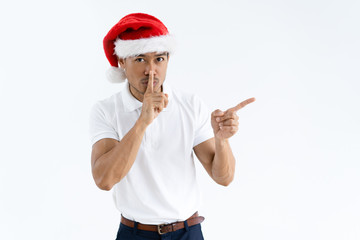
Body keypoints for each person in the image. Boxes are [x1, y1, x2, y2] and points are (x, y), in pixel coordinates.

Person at [89, 13, 255, 240]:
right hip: (135, 233)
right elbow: (104, 180)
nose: (151, 70)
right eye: (140, 59)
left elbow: (223, 178)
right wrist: (143, 121)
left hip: (187, 232)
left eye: (159, 59)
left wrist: (221, 140)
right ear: (122, 62)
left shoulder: (190, 105)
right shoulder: (106, 110)